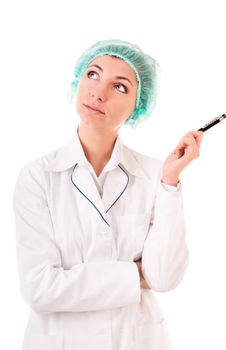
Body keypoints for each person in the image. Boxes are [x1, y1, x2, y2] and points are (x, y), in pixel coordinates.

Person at [12, 39, 203, 350]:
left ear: (138, 106)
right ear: (78, 79)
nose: (98, 92)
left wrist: (169, 183)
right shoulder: (38, 177)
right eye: (92, 75)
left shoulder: (155, 175)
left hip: (136, 340)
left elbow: (164, 277)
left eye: (120, 87)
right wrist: (135, 275)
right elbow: (39, 288)